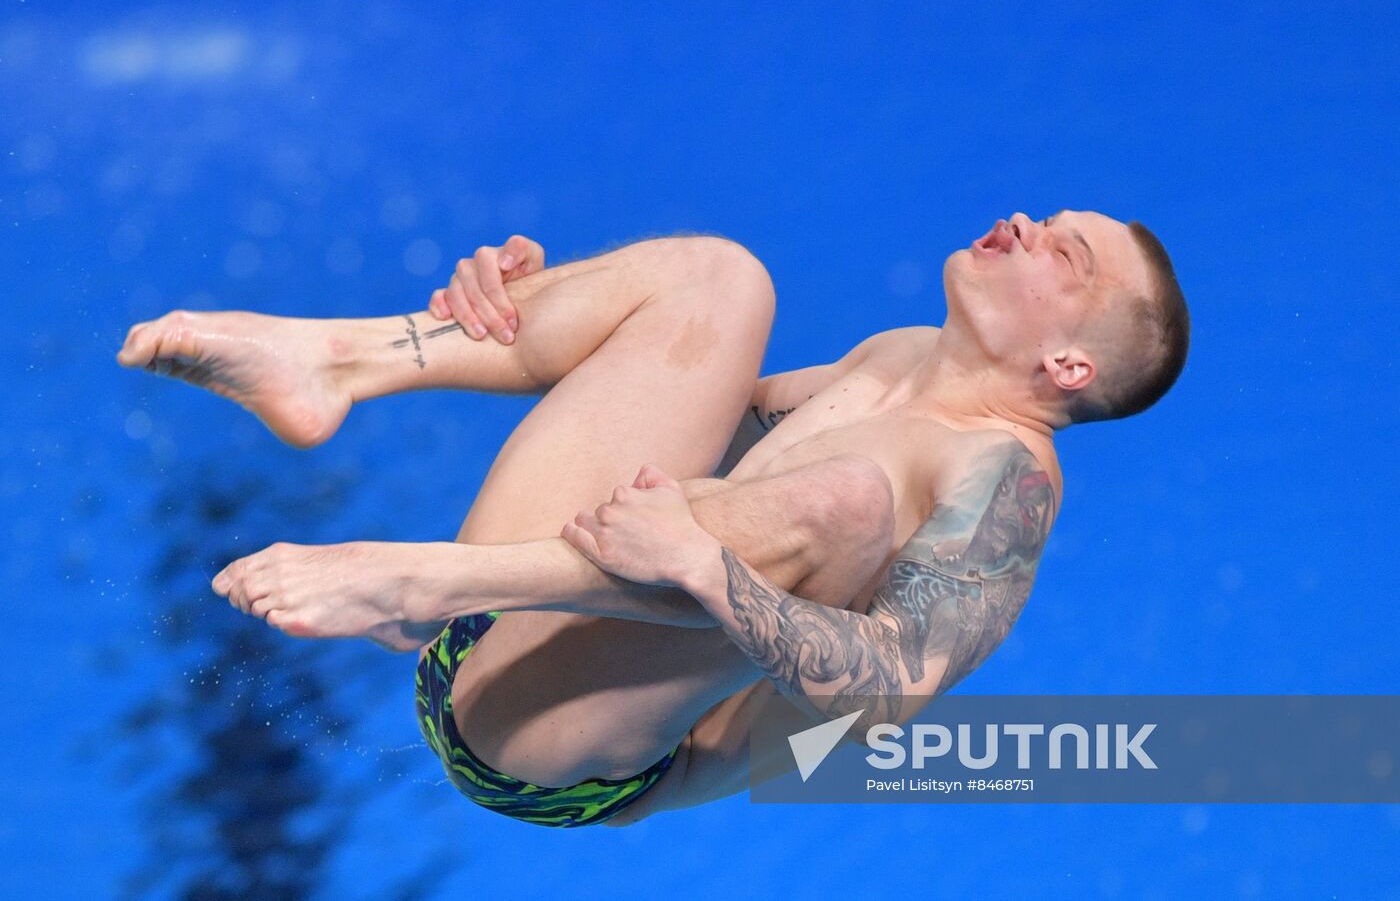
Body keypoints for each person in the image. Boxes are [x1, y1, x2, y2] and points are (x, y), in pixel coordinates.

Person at [116, 211, 1188, 827]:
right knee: (716, 279)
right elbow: (680, 423)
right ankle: (340, 359)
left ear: (1066, 364)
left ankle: (420, 582)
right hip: (504, 628)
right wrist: (533, 305)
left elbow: (881, 695)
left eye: (1062, 255)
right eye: (1048, 219)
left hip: (564, 751)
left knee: (850, 503)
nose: (1025, 226)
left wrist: (708, 571)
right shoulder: (901, 355)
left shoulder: (1006, 481)